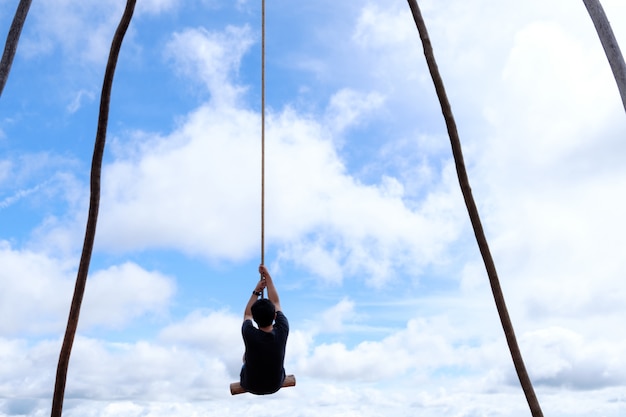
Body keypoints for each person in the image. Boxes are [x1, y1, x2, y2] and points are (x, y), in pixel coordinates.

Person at [239, 264, 289, 395]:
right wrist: (268, 276)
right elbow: (276, 303)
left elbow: (247, 314)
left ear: (255, 319)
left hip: (250, 385)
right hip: (275, 385)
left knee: (245, 357)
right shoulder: (283, 329)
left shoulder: (249, 333)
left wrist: (256, 291)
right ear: (274, 316)